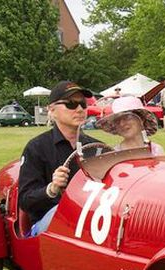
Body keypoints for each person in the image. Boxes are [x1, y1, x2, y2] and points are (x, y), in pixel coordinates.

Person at [18, 81, 110, 236]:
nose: (80, 109)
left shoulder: (97, 147)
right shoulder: (37, 147)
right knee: (64, 214)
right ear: (52, 111)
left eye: (83, 103)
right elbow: (25, 201)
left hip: (90, 219)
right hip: (49, 222)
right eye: (71, 104)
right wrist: (52, 189)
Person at [98, 96, 165, 155]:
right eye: (117, 120)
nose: (121, 124)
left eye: (127, 118)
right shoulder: (114, 154)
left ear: (141, 119)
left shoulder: (156, 151)